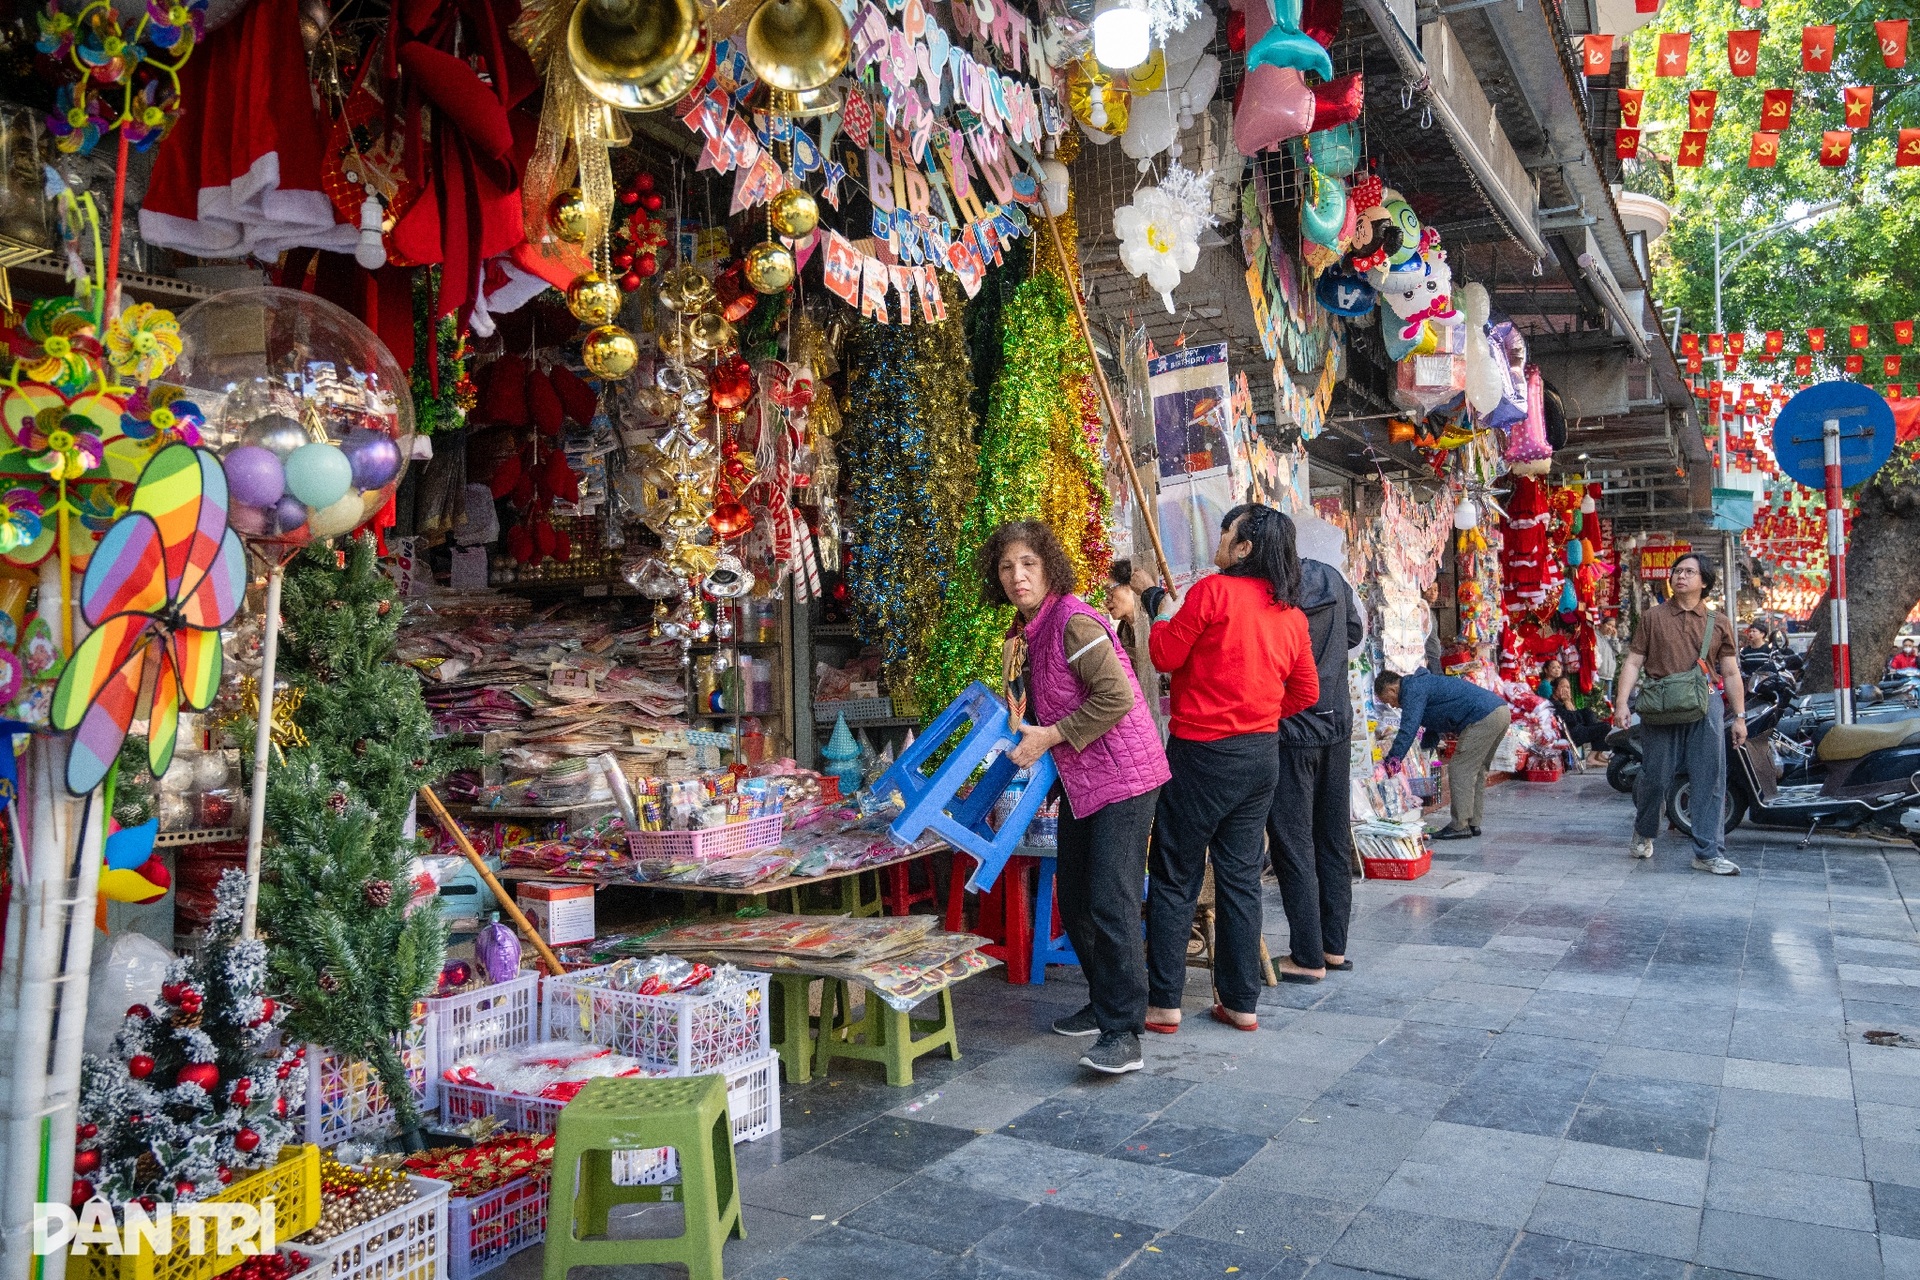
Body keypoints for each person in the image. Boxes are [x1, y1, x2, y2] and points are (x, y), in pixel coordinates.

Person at [991, 521, 1171, 1074]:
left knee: (1109, 898)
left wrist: (1049, 736)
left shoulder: (1072, 620)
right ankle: (1103, 1002)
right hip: (1085, 778)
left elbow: (1116, 695)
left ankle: (1124, 1032)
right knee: (1074, 894)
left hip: (1124, 777)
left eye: (1028, 564)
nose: (1018, 576)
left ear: (1049, 567)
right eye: (1006, 567)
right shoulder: (1033, 631)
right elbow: (1048, 705)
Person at [1146, 504, 1318, 1032]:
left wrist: (1157, 614)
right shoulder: (1291, 616)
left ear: (1244, 548)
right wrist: (1260, 712)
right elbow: (1306, 692)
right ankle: (1241, 1002)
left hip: (1200, 753)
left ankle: (1164, 1004)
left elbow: (1164, 656)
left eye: (1226, 534)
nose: (1219, 541)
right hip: (1259, 755)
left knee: (1176, 874)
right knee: (1241, 878)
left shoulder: (1212, 593)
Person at [1613, 551, 1744, 875]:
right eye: (1677, 571)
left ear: (1704, 581)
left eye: (1688, 572)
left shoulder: (1719, 622)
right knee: (1655, 778)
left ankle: (1708, 852)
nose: (1680, 576)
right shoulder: (1652, 617)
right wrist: (1620, 704)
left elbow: (1730, 672)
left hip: (1706, 705)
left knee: (1710, 779)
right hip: (1661, 705)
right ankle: (1644, 831)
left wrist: (1739, 716)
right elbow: (1632, 662)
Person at [1268, 550, 1365, 983]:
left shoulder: (1270, 586)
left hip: (1293, 726)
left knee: (1294, 842)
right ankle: (1333, 948)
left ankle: (1306, 955)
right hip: (1336, 722)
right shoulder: (1329, 575)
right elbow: (1354, 630)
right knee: (1331, 836)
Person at [1374, 666, 1511, 840]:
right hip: (1499, 711)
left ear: (1392, 689)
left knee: (1460, 769)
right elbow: (1434, 721)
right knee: (1477, 770)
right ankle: (1472, 822)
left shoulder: (1412, 690)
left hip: (1482, 716)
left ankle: (1460, 825)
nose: (1392, 705)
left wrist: (1393, 760)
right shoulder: (1422, 684)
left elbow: (1408, 728)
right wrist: (1425, 752)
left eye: (1389, 700)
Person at [1106, 559, 1167, 736]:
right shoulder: (1122, 631)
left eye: (1110, 590)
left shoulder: (1155, 623)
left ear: (1131, 587)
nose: (1106, 599)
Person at [1551, 676, 1611, 761]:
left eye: (1568, 687)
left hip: (1577, 729)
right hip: (1571, 735)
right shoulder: (1555, 704)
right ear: (1555, 689)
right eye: (1562, 687)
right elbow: (1572, 721)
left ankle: (1597, 755)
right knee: (1605, 727)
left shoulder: (1563, 701)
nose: (1566, 690)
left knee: (1588, 712)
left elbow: (1577, 717)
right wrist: (1567, 702)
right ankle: (1591, 758)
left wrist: (1568, 702)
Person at [1593, 617, 1621, 692]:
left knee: (1607, 702)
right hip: (1598, 676)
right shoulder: (1595, 636)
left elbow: (1617, 651)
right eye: (1609, 625)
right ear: (1602, 624)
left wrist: (1614, 638)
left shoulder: (1610, 639)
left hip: (1608, 677)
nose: (1610, 628)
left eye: (1613, 626)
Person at [1421, 581, 1444, 674]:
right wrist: (1424, 657)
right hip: (1429, 657)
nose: (1433, 593)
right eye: (1429, 589)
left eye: (1435, 590)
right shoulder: (1422, 611)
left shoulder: (1431, 613)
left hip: (1435, 655)